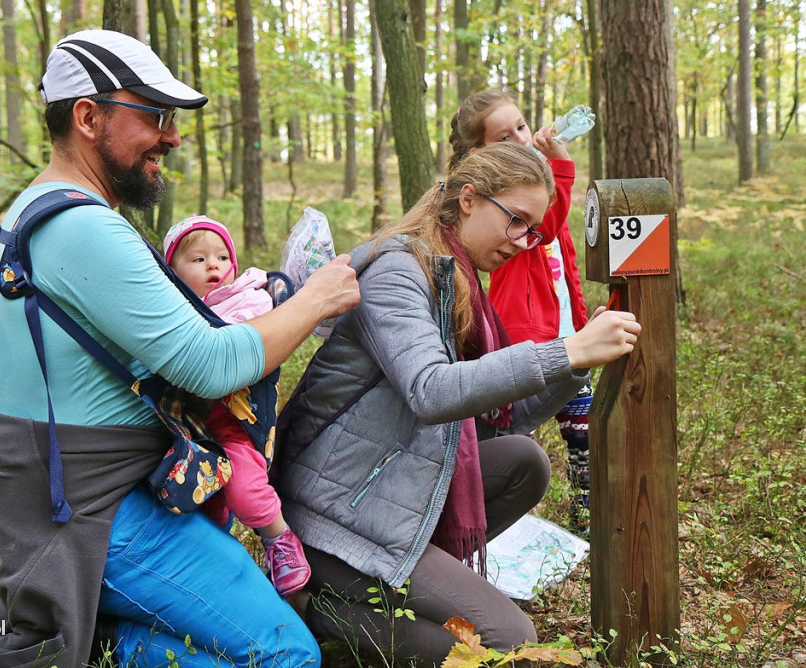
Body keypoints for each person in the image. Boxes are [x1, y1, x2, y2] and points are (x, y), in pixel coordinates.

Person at [0, 29, 358, 668]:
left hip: (71, 493)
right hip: (94, 515)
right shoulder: (83, 228)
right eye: (153, 116)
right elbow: (209, 366)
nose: (171, 136)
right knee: (288, 653)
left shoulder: (35, 208)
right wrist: (313, 300)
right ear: (88, 117)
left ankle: (103, 644)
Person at [275, 142, 640, 666]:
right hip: (334, 515)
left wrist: (574, 362)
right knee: (506, 640)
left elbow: (504, 417)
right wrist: (564, 347)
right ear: (469, 198)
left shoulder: (457, 280)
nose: (523, 241)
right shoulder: (398, 271)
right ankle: (315, 605)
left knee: (525, 461)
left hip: (392, 491)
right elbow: (432, 390)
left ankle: (406, 586)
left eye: (534, 230)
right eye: (516, 221)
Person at [450, 89, 594, 533]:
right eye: (503, 136)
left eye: (522, 127)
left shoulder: (528, 191)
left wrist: (583, 320)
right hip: (526, 337)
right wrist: (562, 168)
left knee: (584, 431)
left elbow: (563, 262)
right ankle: (513, 522)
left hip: (568, 332)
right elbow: (546, 226)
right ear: (480, 152)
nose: (519, 139)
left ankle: (586, 509)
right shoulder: (507, 210)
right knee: (515, 438)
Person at [163, 214, 311, 596]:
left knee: (245, 490)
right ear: (171, 272)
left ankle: (280, 540)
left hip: (236, 423)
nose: (214, 266)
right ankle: (219, 561)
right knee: (202, 504)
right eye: (198, 260)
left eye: (222, 258)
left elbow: (241, 342)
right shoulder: (167, 310)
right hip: (187, 428)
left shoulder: (248, 296)